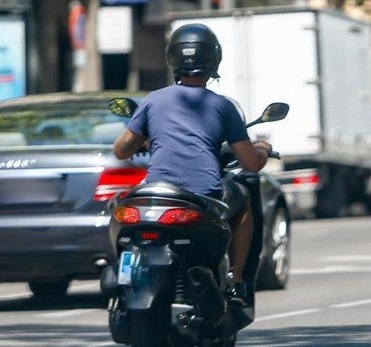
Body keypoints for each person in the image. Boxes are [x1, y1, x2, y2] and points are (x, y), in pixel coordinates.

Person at [113, 23, 273, 307]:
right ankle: (236, 281)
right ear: (214, 59)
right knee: (244, 201)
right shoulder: (223, 107)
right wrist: (263, 149)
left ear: (172, 58)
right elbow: (250, 163)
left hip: (156, 194)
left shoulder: (152, 100)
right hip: (203, 196)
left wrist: (144, 139)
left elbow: (121, 149)